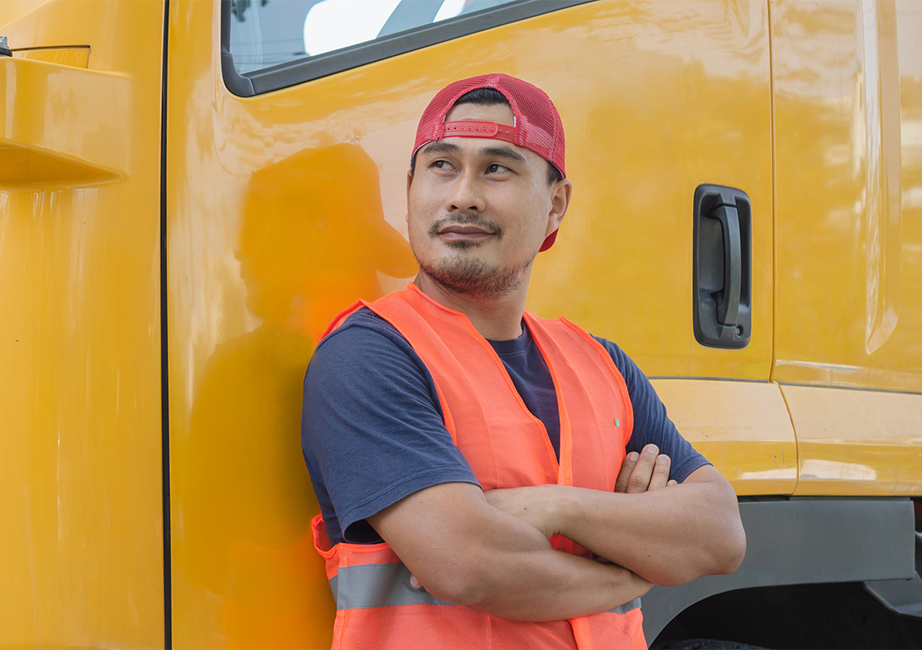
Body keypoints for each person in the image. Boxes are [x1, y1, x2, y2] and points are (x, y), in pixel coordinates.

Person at [301, 73, 746, 649]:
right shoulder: (370, 355)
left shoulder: (601, 365)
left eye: (497, 168)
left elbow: (721, 535)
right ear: (411, 188)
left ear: (556, 205)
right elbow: (469, 564)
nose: (462, 194)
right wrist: (636, 565)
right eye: (441, 166)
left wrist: (557, 507)